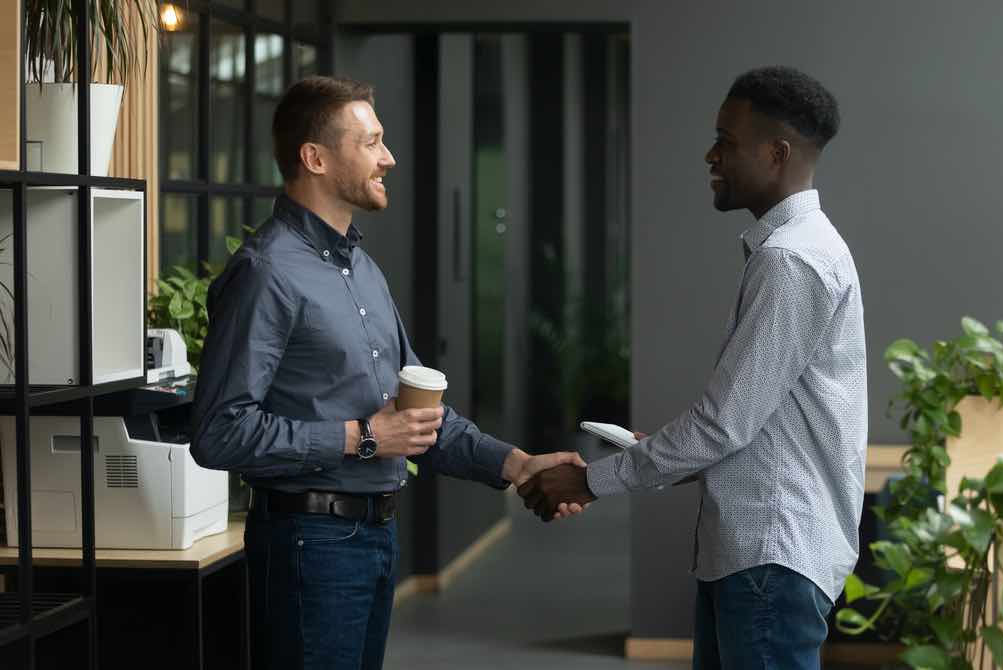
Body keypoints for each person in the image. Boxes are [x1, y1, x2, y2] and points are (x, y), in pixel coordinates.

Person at [190, 76, 584, 670]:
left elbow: (416, 418)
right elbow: (219, 432)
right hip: (308, 545)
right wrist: (362, 438)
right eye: (371, 142)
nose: (389, 157)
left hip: (373, 539)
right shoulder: (266, 273)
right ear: (315, 158)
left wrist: (516, 464)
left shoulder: (363, 271)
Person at [519, 65, 867, 670]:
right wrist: (665, 457)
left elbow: (723, 425)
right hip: (759, 556)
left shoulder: (792, 262)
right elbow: (753, 425)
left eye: (726, 141)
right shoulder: (797, 250)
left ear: (776, 153)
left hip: (769, 556)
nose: (711, 155)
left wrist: (590, 480)